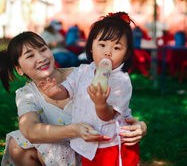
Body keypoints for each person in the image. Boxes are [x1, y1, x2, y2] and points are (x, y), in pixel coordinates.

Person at [0, 31, 147, 166]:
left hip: (98, 147)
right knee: (17, 142)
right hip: (59, 152)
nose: (41, 58)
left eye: (43, 49)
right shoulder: (27, 93)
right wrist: (74, 130)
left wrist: (140, 126)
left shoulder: (82, 75)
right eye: (30, 55)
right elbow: (30, 130)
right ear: (19, 69)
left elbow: (116, 108)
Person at [39, 12, 143, 166]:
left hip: (111, 145)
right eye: (102, 45)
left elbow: (108, 116)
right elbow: (67, 90)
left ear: (126, 54)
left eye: (116, 47)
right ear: (91, 47)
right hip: (88, 142)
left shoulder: (121, 81)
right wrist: (54, 91)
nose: (108, 52)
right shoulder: (83, 71)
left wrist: (101, 103)